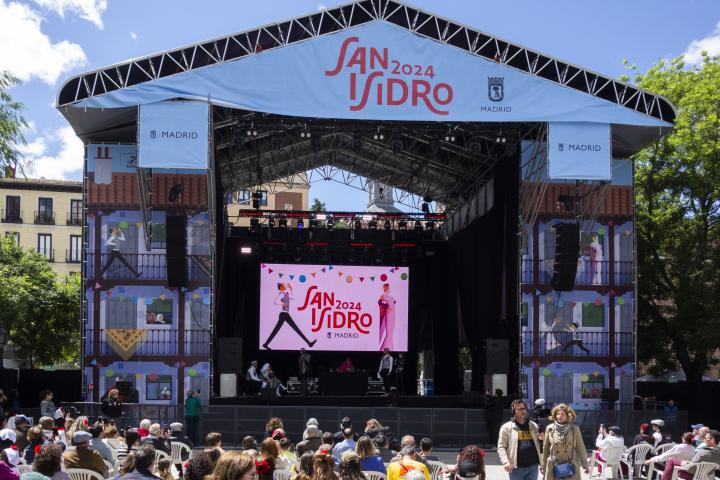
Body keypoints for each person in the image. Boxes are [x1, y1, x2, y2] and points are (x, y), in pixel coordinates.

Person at [541, 403, 588, 480]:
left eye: (562, 414)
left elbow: (581, 447)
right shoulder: (549, 428)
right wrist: (543, 465)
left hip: (570, 466)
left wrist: (585, 464)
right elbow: (545, 448)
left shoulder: (574, 429)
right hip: (554, 465)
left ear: (568, 416)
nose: (560, 416)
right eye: (558, 414)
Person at [497, 399, 542, 480]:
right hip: (516, 468)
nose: (523, 411)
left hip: (533, 467)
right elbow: (501, 447)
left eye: (523, 408)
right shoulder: (506, 427)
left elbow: (541, 445)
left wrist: (542, 439)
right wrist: (506, 462)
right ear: (513, 411)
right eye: (519, 409)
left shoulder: (534, 425)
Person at [263, 283, 317, 350]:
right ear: (280, 288)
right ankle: (309, 343)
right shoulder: (281, 294)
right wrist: (282, 303)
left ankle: (265, 344)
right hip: (284, 314)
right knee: (296, 328)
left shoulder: (286, 294)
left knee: (277, 330)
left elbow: (293, 297)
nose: (284, 286)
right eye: (283, 286)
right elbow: (275, 302)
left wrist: (291, 289)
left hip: (285, 314)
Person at [378, 283, 396, 350]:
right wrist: (386, 308)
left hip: (393, 313)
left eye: (385, 287)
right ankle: (386, 347)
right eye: (384, 287)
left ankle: (390, 347)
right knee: (388, 330)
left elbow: (393, 302)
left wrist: (389, 306)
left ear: (388, 288)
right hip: (388, 314)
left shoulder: (391, 297)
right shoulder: (383, 295)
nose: (384, 288)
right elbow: (380, 302)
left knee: (391, 330)